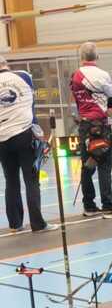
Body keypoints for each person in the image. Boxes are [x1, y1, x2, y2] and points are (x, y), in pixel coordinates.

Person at [70, 42, 112, 216]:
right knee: (104, 164)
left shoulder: (75, 76)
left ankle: (89, 206)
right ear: (97, 56)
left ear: (81, 57)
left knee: (87, 165)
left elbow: (76, 101)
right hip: (101, 124)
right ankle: (108, 205)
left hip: (84, 125)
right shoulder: (102, 74)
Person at [0, 57, 47, 232]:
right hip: (23, 133)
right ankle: (38, 224)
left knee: (11, 181)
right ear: (6, 64)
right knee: (31, 179)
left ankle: (15, 224)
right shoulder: (23, 76)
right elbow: (31, 105)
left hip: (2, 137)